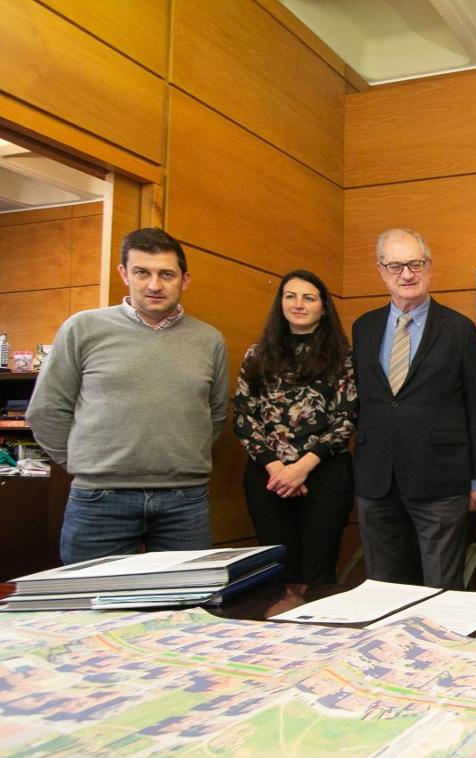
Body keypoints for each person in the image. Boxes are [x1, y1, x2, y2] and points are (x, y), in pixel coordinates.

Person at [26, 227, 229, 564]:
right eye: (142, 272)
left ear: (185, 279)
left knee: (186, 610)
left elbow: (216, 414)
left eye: (166, 274)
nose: (154, 284)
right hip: (99, 500)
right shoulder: (82, 328)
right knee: (89, 607)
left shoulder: (209, 340)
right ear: (124, 274)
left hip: (184, 501)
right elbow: (46, 410)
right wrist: (87, 463)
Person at [351, 229, 476, 588]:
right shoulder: (363, 327)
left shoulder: (459, 329)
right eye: (395, 266)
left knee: (442, 588)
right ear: (381, 270)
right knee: (383, 587)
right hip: (376, 477)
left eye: (415, 264)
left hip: (440, 480)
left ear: (428, 267)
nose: (406, 275)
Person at [233, 269, 357, 584]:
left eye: (308, 297)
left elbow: (347, 417)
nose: (298, 304)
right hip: (267, 475)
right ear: (281, 303)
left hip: (325, 474)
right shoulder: (256, 354)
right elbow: (244, 418)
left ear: (324, 306)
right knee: (277, 573)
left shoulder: (342, 357)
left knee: (319, 571)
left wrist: (301, 468)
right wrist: (277, 469)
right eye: (290, 296)